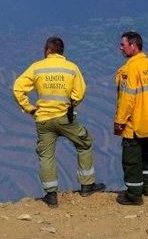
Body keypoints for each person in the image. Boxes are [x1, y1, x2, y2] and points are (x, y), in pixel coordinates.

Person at [13, 37, 105, 208]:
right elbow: (80, 92)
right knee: (84, 143)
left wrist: (29, 108)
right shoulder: (71, 68)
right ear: (62, 51)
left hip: (43, 120)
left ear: (48, 50)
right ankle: (87, 185)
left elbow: (18, 88)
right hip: (65, 118)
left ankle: (51, 195)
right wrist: (71, 105)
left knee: (46, 156)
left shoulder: (37, 67)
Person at [113, 31, 148, 206]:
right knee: (146, 155)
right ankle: (147, 187)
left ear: (133, 45)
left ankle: (134, 194)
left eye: (123, 44)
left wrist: (119, 122)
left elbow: (127, 99)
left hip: (135, 123)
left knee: (131, 160)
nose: (120, 48)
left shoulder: (130, 69)